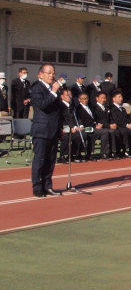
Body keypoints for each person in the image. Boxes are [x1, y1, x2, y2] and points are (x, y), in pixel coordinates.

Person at [30, 64, 64, 197]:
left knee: (51, 159)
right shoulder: (37, 88)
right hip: (42, 129)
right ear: (40, 75)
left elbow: (58, 110)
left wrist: (60, 127)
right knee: (40, 159)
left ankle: (47, 185)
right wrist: (54, 92)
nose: (52, 75)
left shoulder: (53, 89)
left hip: (53, 129)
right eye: (48, 73)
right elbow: (43, 105)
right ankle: (37, 186)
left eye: (53, 73)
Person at [75, 91, 109, 160]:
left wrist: (98, 124)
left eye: (86, 98)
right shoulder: (78, 109)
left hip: (93, 127)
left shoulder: (90, 107)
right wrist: (94, 126)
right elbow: (82, 120)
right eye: (83, 99)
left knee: (105, 132)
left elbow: (95, 118)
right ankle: (87, 153)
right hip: (85, 128)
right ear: (79, 100)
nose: (85, 100)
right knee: (89, 134)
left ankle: (104, 153)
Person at [109, 90, 131, 158]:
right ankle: (123, 150)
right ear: (114, 99)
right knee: (124, 131)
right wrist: (126, 125)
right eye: (119, 97)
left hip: (125, 126)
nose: (121, 99)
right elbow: (116, 120)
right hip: (118, 126)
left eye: (121, 97)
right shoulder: (112, 108)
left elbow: (127, 118)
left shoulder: (123, 108)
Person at [58, 89, 82, 163]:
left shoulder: (73, 106)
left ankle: (74, 155)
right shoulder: (60, 106)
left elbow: (77, 117)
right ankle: (62, 156)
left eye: (70, 95)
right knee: (67, 136)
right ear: (62, 96)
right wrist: (72, 127)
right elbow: (64, 119)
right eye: (67, 95)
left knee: (80, 135)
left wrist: (80, 125)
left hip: (73, 127)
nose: (69, 97)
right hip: (63, 127)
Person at [93, 92, 119, 159]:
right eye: (101, 98)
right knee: (106, 132)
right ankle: (104, 153)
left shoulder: (107, 108)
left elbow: (111, 118)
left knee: (113, 131)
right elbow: (97, 121)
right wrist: (108, 125)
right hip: (100, 127)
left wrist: (113, 123)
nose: (103, 99)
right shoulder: (94, 108)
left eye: (104, 98)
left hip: (108, 126)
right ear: (97, 98)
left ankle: (113, 152)